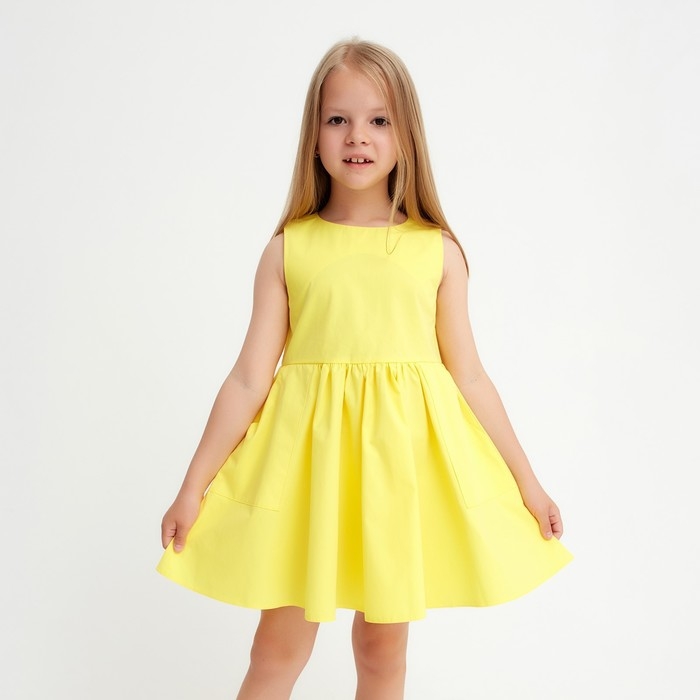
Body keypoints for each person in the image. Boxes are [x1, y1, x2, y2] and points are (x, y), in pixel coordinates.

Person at [157, 37, 573, 700]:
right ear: (314, 136)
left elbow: (469, 376)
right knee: (277, 649)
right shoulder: (289, 250)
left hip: (395, 478)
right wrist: (192, 486)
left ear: (406, 135)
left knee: (382, 653)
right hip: (306, 474)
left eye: (379, 120)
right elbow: (248, 379)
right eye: (338, 119)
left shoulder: (436, 251)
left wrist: (529, 484)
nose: (357, 136)